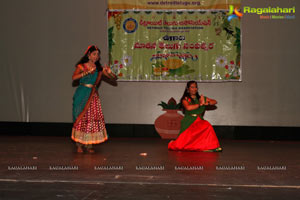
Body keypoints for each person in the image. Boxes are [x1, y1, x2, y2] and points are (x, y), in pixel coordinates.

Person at [71, 45, 116, 153]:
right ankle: (79, 144)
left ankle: (89, 145)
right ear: (89, 55)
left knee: (91, 119)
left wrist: (109, 72)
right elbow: (74, 77)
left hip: (93, 96)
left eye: (98, 54)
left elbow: (114, 79)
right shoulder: (81, 66)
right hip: (82, 94)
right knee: (80, 118)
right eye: (94, 54)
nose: (96, 56)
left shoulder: (99, 69)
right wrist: (87, 72)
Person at [168, 81, 222, 152]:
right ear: (188, 89)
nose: (194, 89)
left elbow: (214, 101)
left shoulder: (201, 98)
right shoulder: (185, 99)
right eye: (192, 87)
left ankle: (212, 146)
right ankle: (172, 143)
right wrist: (200, 104)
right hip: (189, 121)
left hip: (199, 120)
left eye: (196, 87)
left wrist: (206, 103)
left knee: (207, 126)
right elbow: (188, 108)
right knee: (179, 146)